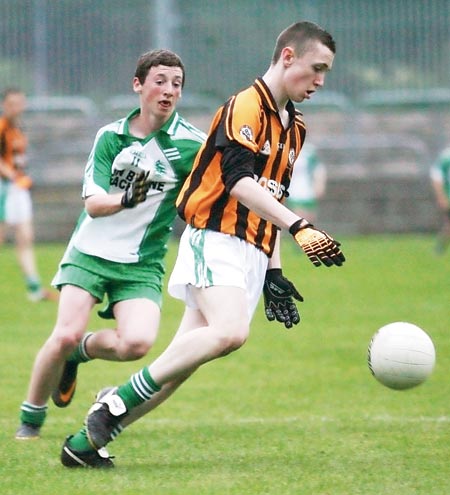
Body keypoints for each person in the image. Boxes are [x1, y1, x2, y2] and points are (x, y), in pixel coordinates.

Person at [60, 21, 345, 469]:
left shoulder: (295, 127)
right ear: (288, 57)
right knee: (231, 332)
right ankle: (113, 404)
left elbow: (271, 196)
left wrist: (273, 269)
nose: (321, 81)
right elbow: (238, 182)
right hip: (215, 239)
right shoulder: (245, 106)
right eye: (316, 69)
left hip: (250, 250)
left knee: (179, 366)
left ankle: (83, 445)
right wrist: (300, 226)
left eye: (325, 72)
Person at [15, 49, 206, 442]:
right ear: (138, 85)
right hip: (90, 254)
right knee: (63, 332)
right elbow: (93, 204)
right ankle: (30, 422)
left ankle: (79, 353)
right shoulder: (110, 137)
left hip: (141, 263)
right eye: (160, 81)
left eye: (177, 84)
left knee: (136, 344)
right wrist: (127, 198)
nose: (169, 90)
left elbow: (214, 187)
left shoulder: (191, 145)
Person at [0, 88, 56, 302]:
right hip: (5, 188)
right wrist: (11, 176)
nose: (17, 107)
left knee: (25, 236)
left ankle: (34, 288)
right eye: (12, 103)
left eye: (20, 103)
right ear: (5, 105)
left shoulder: (19, 128)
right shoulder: (2, 127)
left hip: (18, 188)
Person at [286, 142, 326, 224]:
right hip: (293, 189)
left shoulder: (309, 151)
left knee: (309, 217)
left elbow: (318, 169)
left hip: (308, 189)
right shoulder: (287, 148)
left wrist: (319, 184)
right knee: (297, 217)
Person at [430, 146, 450, 254]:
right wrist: (441, 196)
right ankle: (440, 248)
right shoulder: (446, 157)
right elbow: (436, 177)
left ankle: (440, 248)